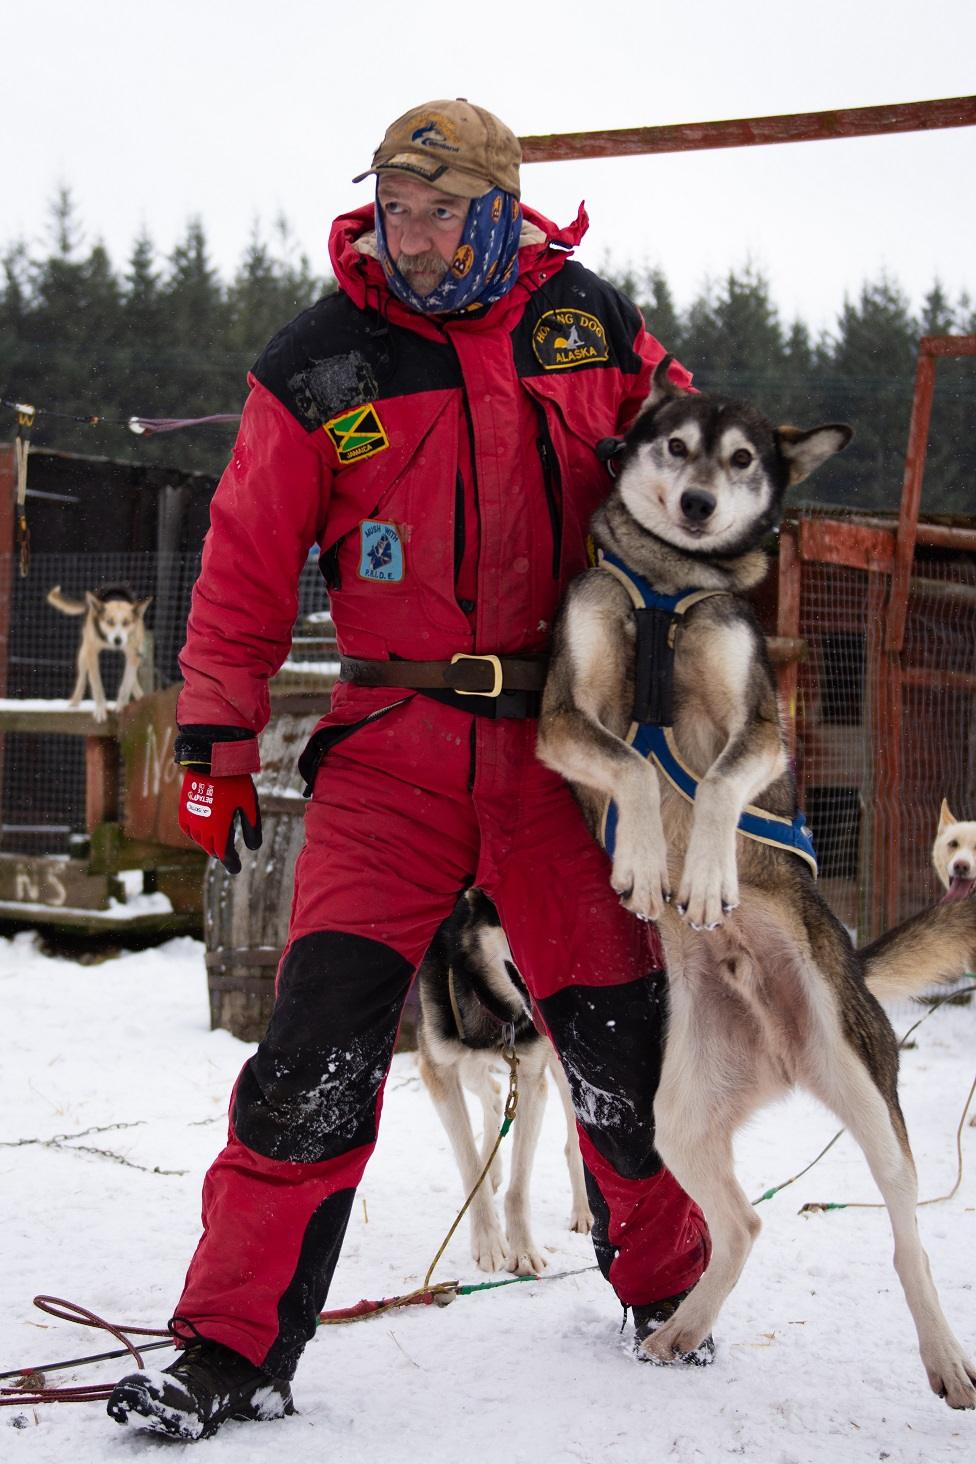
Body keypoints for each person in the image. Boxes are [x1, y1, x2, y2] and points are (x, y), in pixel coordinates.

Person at [107, 98, 712, 1442]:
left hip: (567, 750)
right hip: (393, 748)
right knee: (311, 1050)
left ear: (503, 213)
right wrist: (212, 737)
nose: (415, 237)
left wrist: (691, 680)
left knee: (623, 1043)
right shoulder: (322, 361)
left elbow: (695, 489)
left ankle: (672, 1284)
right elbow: (247, 562)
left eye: (443, 212)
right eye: (397, 208)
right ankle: (229, 1348)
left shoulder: (589, 328)